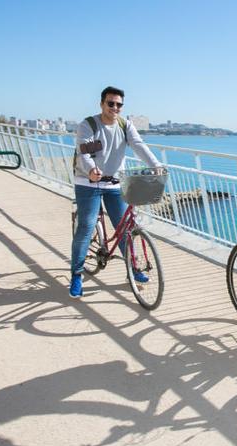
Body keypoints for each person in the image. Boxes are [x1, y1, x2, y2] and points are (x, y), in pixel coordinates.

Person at [69, 86, 161, 298]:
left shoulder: (124, 125)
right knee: (86, 225)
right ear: (101, 104)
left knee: (124, 228)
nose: (115, 108)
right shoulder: (89, 125)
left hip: (114, 183)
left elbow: (138, 145)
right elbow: (85, 153)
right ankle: (76, 274)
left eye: (119, 104)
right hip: (88, 182)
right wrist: (92, 170)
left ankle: (133, 269)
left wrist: (155, 164)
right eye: (110, 103)